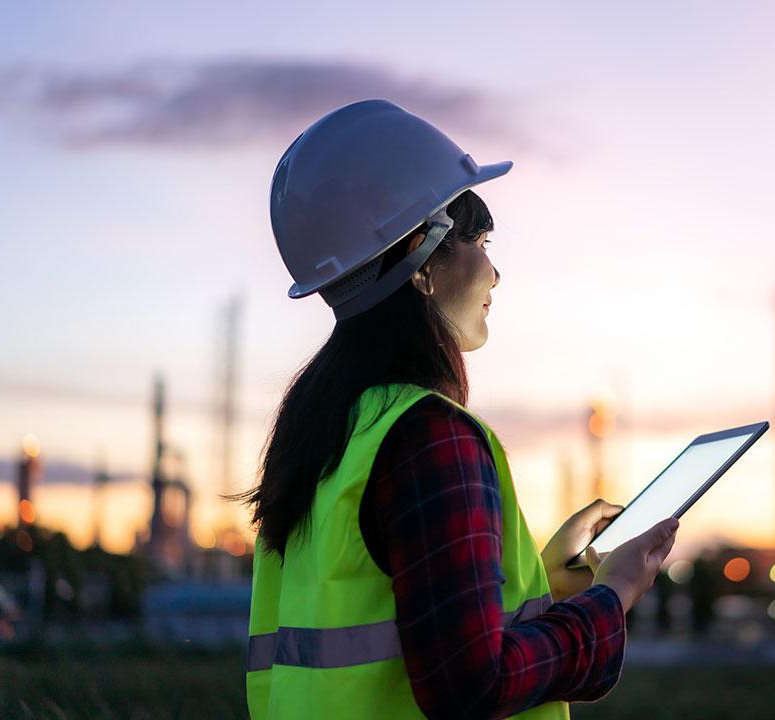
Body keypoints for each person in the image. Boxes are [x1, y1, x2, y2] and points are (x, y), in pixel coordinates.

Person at [237, 99, 680, 720]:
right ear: (421, 253)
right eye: (478, 240)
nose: (495, 273)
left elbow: (399, 630)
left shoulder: (330, 432)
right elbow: (470, 683)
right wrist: (615, 593)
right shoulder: (430, 437)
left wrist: (546, 583)